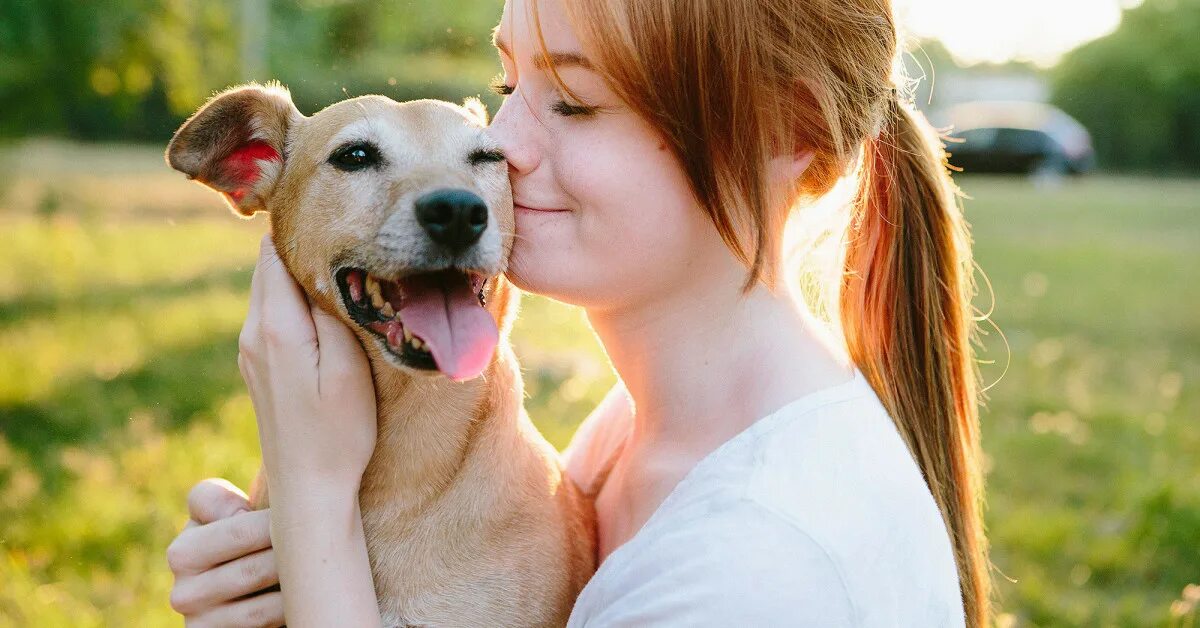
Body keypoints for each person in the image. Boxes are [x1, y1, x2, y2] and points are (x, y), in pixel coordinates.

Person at [166, 0, 991, 625]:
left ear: (788, 127)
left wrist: (312, 506)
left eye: (575, 102)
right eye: (508, 84)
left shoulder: (758, 570)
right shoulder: (637, 428)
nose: (500, 144)